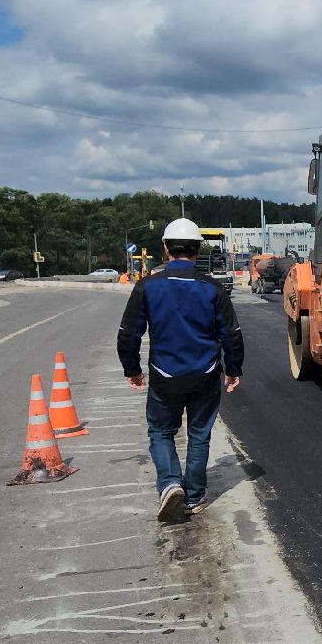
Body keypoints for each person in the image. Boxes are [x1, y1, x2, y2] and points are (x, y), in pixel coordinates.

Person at [117, 218, 244, 523]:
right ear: (198, 249)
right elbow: (231, 333)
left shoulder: (147, 286)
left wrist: (132, 369)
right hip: (206, 374)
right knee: (199, 435)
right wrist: (233, 369)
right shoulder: (212, 288)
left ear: (165, 249)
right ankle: (196, 497)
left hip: (164, 375)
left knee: (161, 431)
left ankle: (171, 484)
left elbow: (128, 333)